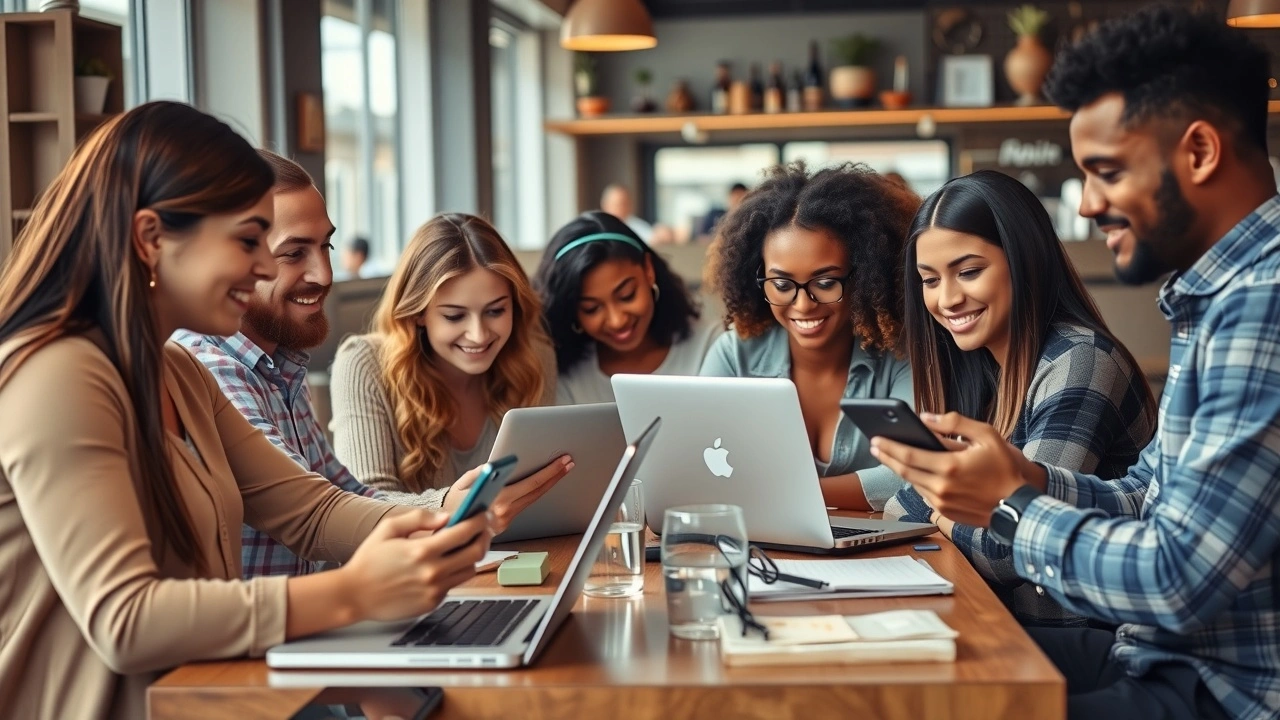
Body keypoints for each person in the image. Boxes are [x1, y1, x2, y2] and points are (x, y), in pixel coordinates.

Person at [0, 101, 492, 720]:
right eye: (248, 241)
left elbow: (313, 510)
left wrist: (436, 522)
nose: (264, 267)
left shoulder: (177, 374)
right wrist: (357, 590)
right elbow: (125, 620)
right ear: (151, 239)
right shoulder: (58, 375)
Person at [872, 7, 1278, 719]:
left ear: (1201, 151)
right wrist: (1022, 477)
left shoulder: (1262, 305)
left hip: (1224, 692)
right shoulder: (1213, 299)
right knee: (887, 673)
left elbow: (1174, 579)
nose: (1087, 204)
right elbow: (1146, 497)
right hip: (1156, 656)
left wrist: (1012, 508)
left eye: (1106, 172)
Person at [176, 151, 570, 577]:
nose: (325, 274)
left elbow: (346, 494)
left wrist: (451, 509)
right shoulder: (211, 368)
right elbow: (315, 517)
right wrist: (446, 510)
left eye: (325, 246)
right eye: (293, 253)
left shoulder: (280, 368)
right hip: (272, 634)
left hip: (314, 626)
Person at [882, 169, 1157, 627]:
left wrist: (941, 510)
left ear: (1023, 260)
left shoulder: (1082, 361)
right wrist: (954, 507)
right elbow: (898, 505)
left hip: (1082, 640)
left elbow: (1009, 548)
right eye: (929, 280)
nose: (947, 298)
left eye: (968, 272)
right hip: (1010, 625)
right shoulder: (980, 368)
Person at [700, 161, 919, 511]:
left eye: (826, 282)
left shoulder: (900, 356)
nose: (803, 305)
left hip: (879, 557)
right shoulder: (733, 354)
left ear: (865, 276)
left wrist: (783, 494)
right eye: (783, 285)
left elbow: (913, 473)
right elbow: (692, 464)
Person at [330, 213, 565, 502]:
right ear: (417, 314)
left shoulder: (534, 357)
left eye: (495, 311)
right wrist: (448, 507)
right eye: (454, 316)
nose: (479, 335)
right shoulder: (363, 364)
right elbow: (363, 505)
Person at [533, 210, 723, 404]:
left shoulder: (712, 346)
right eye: (591, 309)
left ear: (648, 270)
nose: (617, 320)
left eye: (627, 295)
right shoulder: (566, 376)